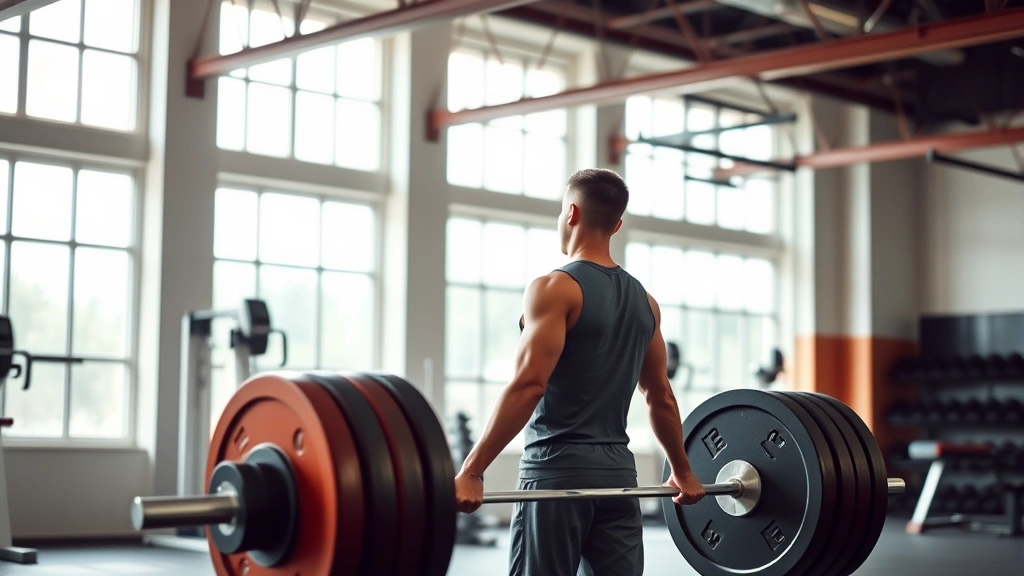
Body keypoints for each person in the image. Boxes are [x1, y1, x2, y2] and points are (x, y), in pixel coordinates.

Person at [453, 168, 706, 576]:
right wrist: (682, 471)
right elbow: (660, 395)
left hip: (556, 474)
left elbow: (530, 384)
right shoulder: (646, 303)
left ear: (570, 213)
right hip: (619, 478)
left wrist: (471, 470)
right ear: (617, 224)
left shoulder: (554, 288)